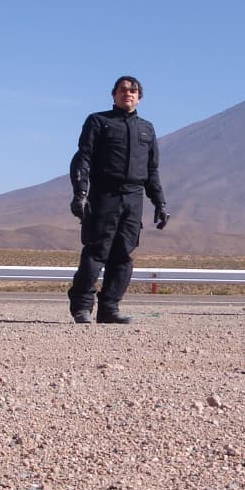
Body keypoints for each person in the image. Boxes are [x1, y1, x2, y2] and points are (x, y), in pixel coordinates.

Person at [67, 75, 170, 324]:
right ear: (113, 94)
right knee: (96, 251)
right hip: (104, 195)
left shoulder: (146, 128)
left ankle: (109, 308)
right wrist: (80, 193)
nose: (129, 93)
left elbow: (151, 170)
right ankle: (82, 307)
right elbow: (83, 158)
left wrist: (159, 203)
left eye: (134, 90)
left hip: (133, 198)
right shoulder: (99, 122)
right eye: (123, 90)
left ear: (140, 97)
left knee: (124, 254)